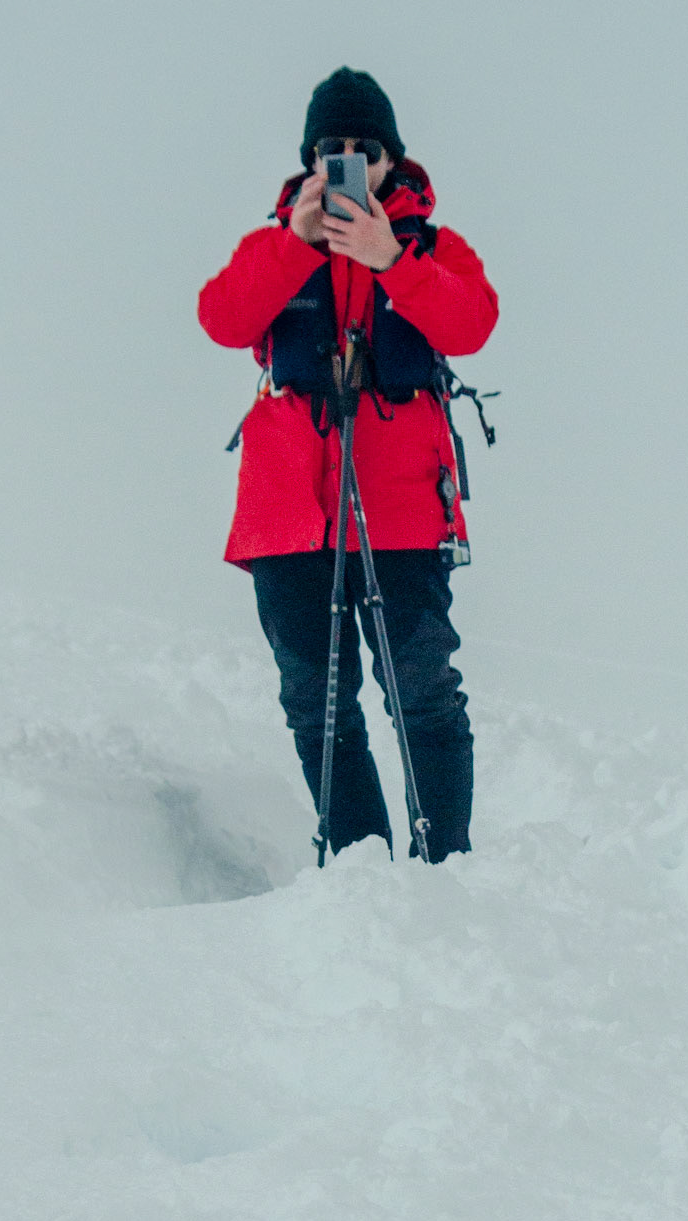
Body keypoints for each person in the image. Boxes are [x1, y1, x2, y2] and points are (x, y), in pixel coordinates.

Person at [198, 68, 499, 860]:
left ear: (392, 160)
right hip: (288, 510)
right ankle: (359, 860)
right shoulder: (272, 244)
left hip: (401, 506)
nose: (349, 161)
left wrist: (389, 258)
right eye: (332, 148)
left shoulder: (432, 248)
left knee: (423, 692)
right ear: (309, 159)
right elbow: (223, 318)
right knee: (317, 702)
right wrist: (294, 246)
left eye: (365, 148)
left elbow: (472, 323)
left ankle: (445, 865)